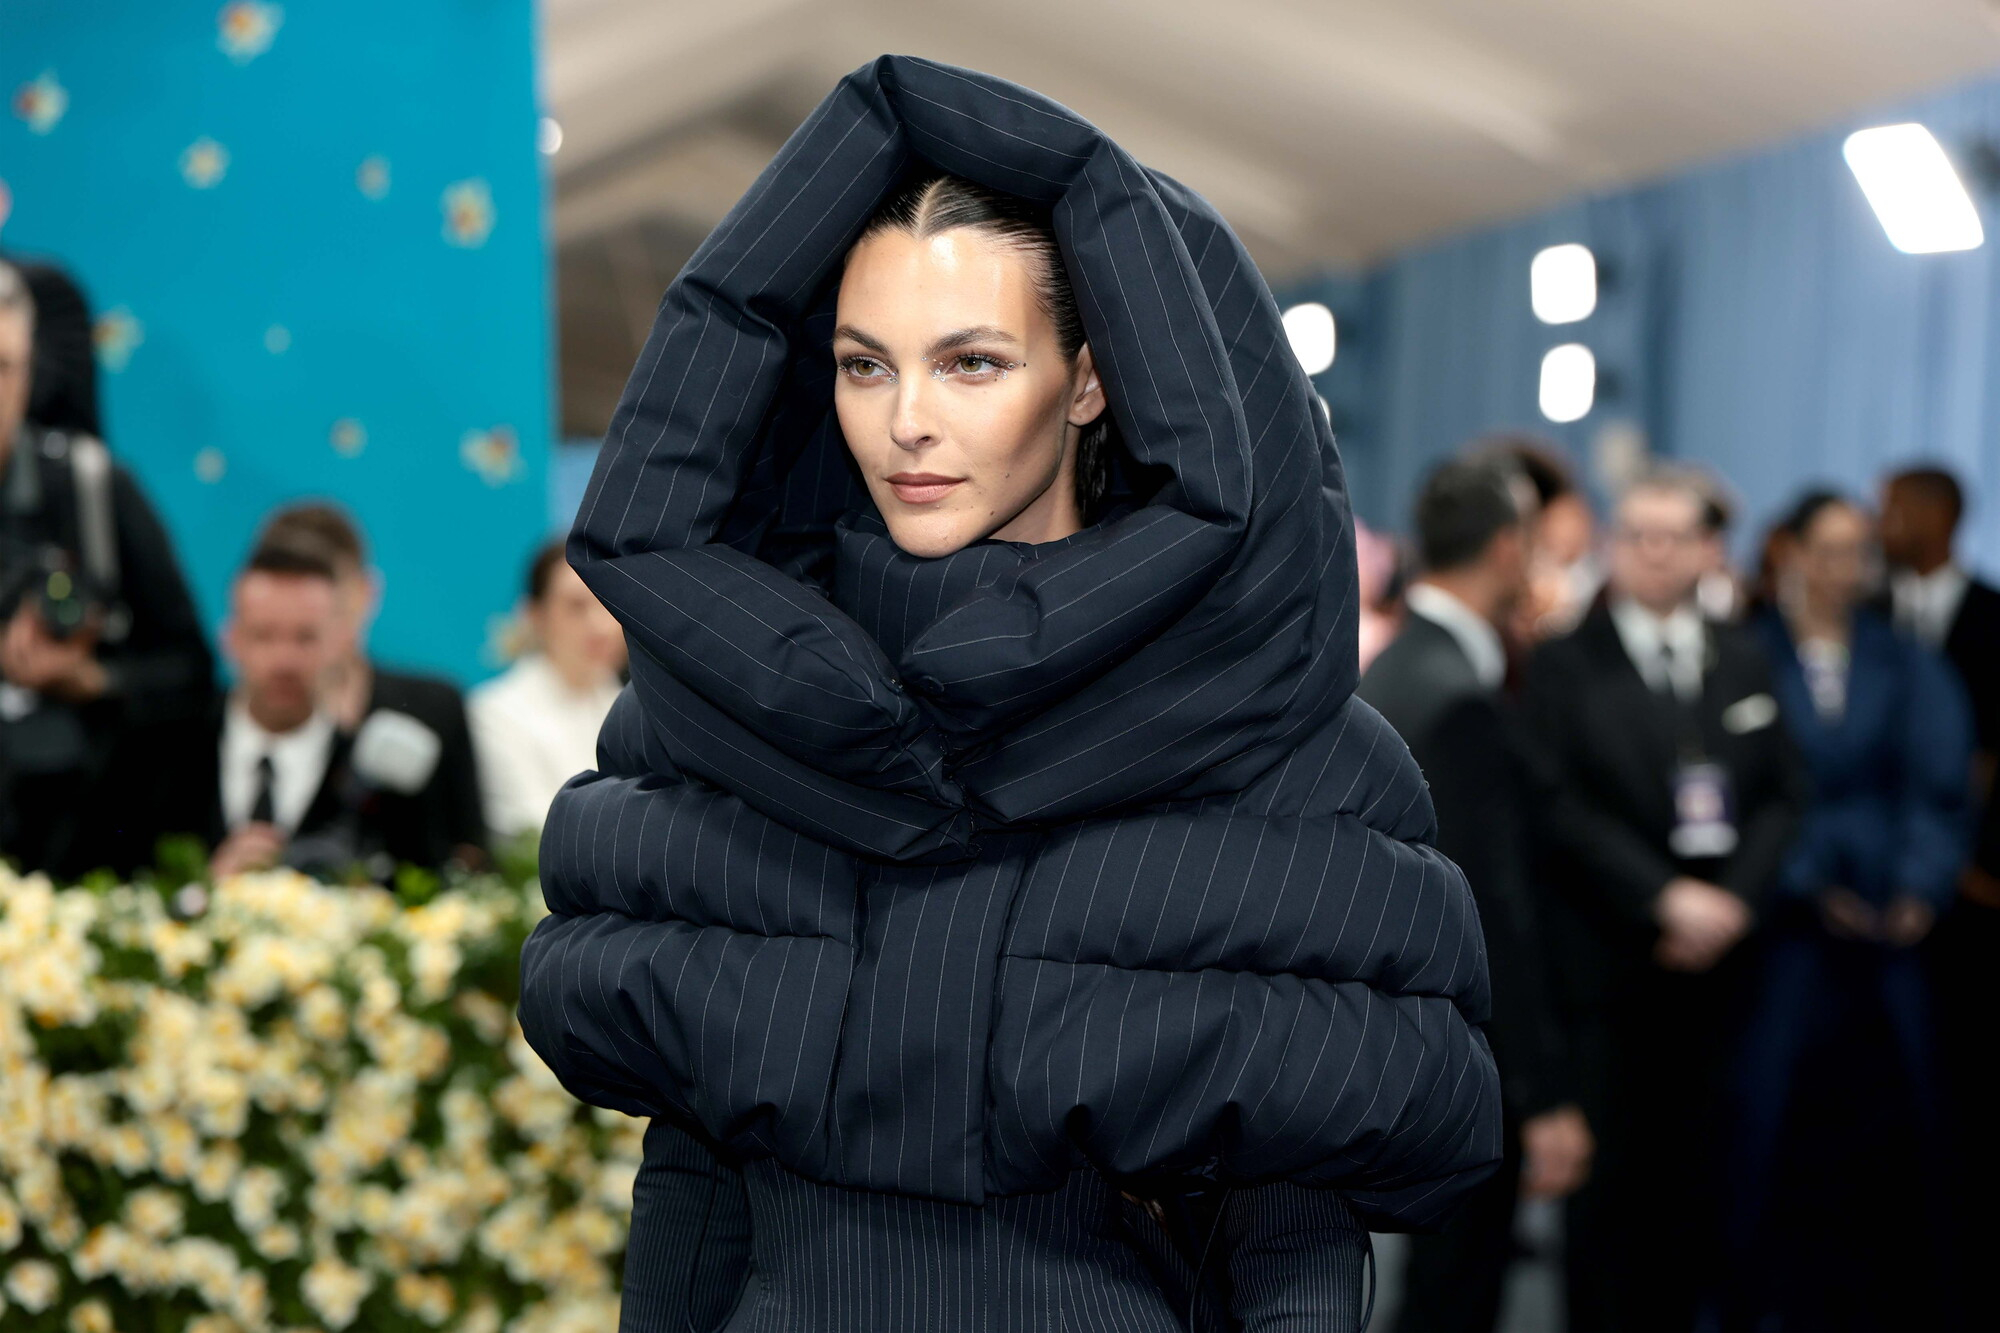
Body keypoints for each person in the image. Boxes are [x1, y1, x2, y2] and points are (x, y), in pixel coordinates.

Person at [519, 57, 1501, 1333]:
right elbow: (692, 1181)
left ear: (1089, 380)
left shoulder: (1277, 757)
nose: (906, 422)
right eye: (863, 365)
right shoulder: (721, 716)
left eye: (970, 362)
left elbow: (1288, 1231)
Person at [1520, 467, 1799, 1333]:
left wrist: (1732, 904)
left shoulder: (1743, 654)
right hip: (1612, 967)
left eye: (1673, 535)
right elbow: (1557, 806)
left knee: (1702, 1192)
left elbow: (1781, 794)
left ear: (1710, 550)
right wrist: (1665, 897)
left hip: (1720, 973)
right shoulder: (1565, 660)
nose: (1652, 552)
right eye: (1636, 533)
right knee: (1609, 1207)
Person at [1723, 490, 1968, 1329]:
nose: (1845, 567)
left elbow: (1939, 785)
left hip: (1891, 924)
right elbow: (1740, 788)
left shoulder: (1904, 660)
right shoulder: (1750, 653)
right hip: (1785, 924)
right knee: (1766, 1116)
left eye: (1858, 550)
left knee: (1908, 1115)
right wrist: (1803, 879)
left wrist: (1917, 887)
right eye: (1827, 549)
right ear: (1789, 553)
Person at [1361, 457, 1592, 1333]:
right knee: (1455, 1293)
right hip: (1459, 1057)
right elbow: (1488, 914)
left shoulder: (1402, 665)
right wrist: (1538, 1089)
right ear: (1507, 548)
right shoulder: (1456, 694)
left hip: (1405, 1036)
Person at [0, 259, 216, 880]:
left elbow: (192, 674)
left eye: (2, 367)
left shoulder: (95, 490)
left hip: (78, 855)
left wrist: (91, 679)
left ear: (33, 370)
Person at [1877, 463, 2000, 1327]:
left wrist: (1967, 865)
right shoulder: (1867, 615)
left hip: (1976, 906)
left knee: (1967, 1102)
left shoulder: (1993, 619)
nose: (1882, 523)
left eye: (1894, 509)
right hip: (1875, 903)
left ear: (1940, 516)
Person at [254, 502, 487, 870]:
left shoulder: (434, 708)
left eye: (327, 587)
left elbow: (472, 855)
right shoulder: (221, 726)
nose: (315, 612)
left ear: (366, 592)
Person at [468, 539, 624, 841]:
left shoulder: (642, 707)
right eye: (576, 607)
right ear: (535, 615)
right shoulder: (495, 713)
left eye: (608, 603)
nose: (600, 625)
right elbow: (536, 829)